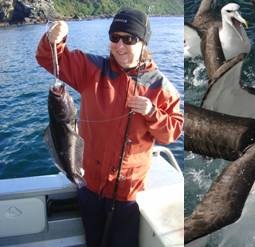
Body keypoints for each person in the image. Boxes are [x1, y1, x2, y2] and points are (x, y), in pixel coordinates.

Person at [36, 8, 183, 247]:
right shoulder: (92, 69)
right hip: (89, 185)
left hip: (128, 193)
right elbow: (50, 59)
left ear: (144, 42)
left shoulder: (161, 86)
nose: (120, 45)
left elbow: (172, 133)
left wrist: (151, 112)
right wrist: (54, 40)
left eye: (129, 39)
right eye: (114, 38)